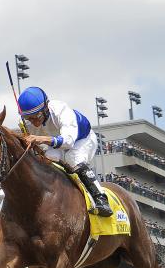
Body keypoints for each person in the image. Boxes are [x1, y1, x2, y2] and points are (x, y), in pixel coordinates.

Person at [17, 86, 112, 216]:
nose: (34, 122)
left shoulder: (61, 110)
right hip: (55, 144)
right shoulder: (26, 124)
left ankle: (100, 198)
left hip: (82, 139)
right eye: (29, 118)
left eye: (36, 116)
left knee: (73, 159)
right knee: (46, 160)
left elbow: (68, 141)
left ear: (46, 107)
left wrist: (39, 139)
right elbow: (38, 147)